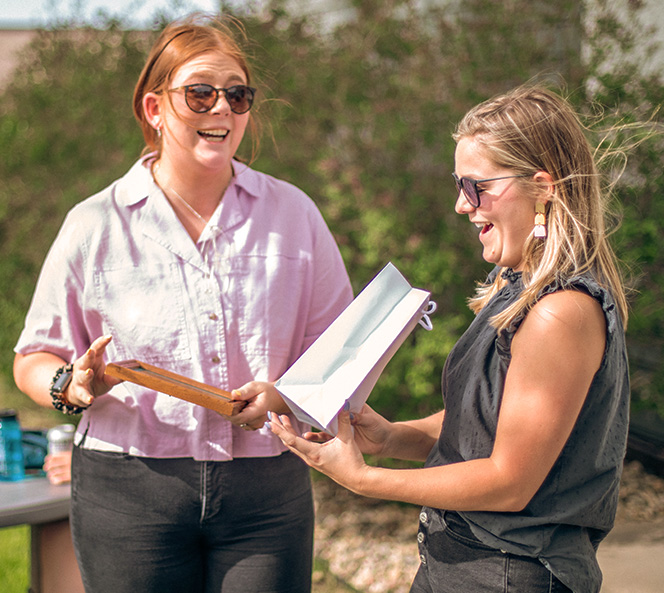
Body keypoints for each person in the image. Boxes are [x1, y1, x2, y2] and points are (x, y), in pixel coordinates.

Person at [13, 15, 352, 593]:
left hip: (266, 491)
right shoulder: (94, 223)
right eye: (200, 93)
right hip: (127, 491)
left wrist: (285, 395)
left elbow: (341, 354)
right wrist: (71, 385)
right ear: (155, 108)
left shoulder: (295, 215)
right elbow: (33, 356)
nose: (221, 108)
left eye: (237, 95)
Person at [268, 84, 631, 593]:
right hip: (462, 562)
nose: (463, 206)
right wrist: (393, 436)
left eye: (476, 186)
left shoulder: (560, 313)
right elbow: (490, 422)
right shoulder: (519, 287)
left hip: (511, 573)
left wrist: (365, 479)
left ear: (544, 187)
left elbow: (509, 480)